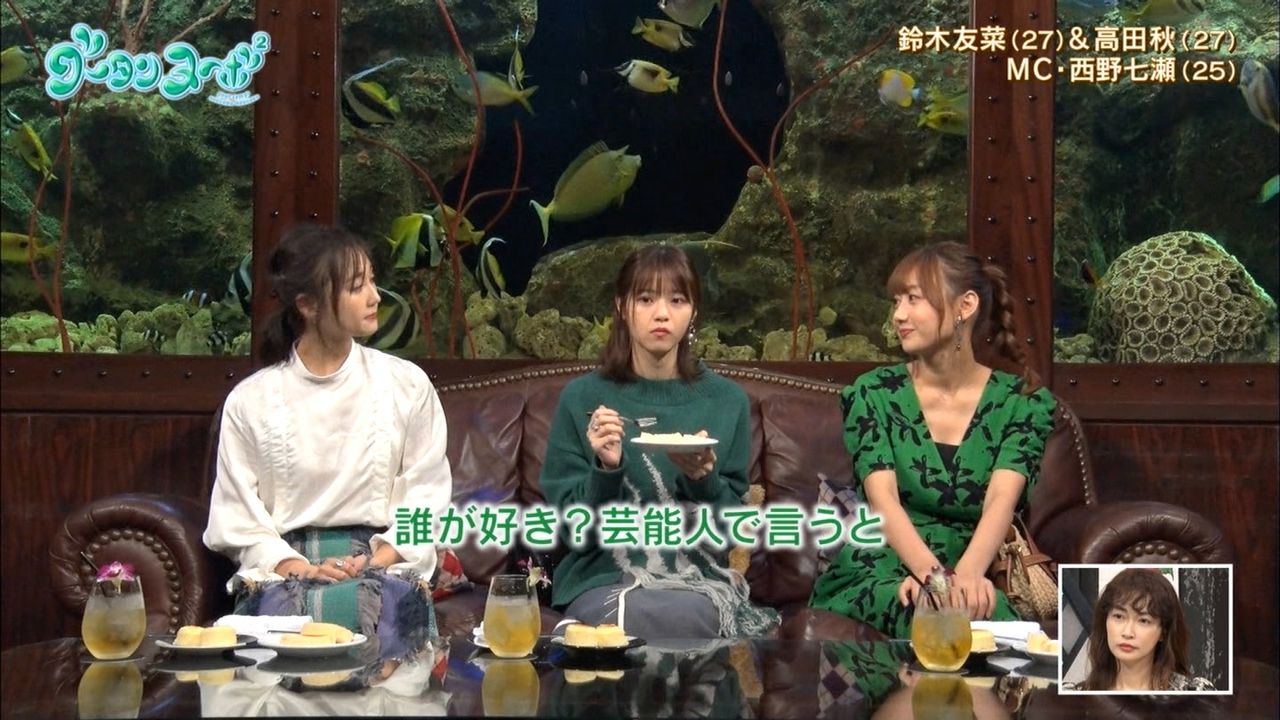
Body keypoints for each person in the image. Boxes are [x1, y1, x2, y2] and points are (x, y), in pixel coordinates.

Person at [203, 224, 452, 654]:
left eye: (373, 280)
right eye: (357, 287)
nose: (375, 297)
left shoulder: (406, 384)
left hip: (382, 560)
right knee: (281, 656)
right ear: (308, 305)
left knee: (384, 641)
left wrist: (373, 562)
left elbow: (427, 499)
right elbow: (238, 518)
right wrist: (300, 567)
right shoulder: (251, 400)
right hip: (284, 568)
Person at [810, 241, 1057, 638]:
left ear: (965, 305)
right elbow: (883, 499)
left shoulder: (1021, 403)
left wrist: (968, 577)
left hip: (972, 561)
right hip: (885, 562)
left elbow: (1001, 500)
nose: (899, 315)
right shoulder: (873, 393)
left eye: (914, 299)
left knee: (999, 633)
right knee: (926, 616)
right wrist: (933, 579)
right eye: (896, 301)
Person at [539, 244, 777, 639]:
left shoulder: (726, 401)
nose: (662, 313)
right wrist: (606, 470)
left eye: (677, 300)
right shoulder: (582, 399)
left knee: (689, 618)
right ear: (622, 307)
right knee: (618, 622)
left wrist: (703, 480)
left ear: (693, 312)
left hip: (698, 581)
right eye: (646, 299)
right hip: (602, 579)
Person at [1075, 568, 1215, 691]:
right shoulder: (1077, 697)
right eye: (1118, 616)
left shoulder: (1196, 693)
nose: (1127, 633)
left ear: (1163, 632)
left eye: (1143, 620)